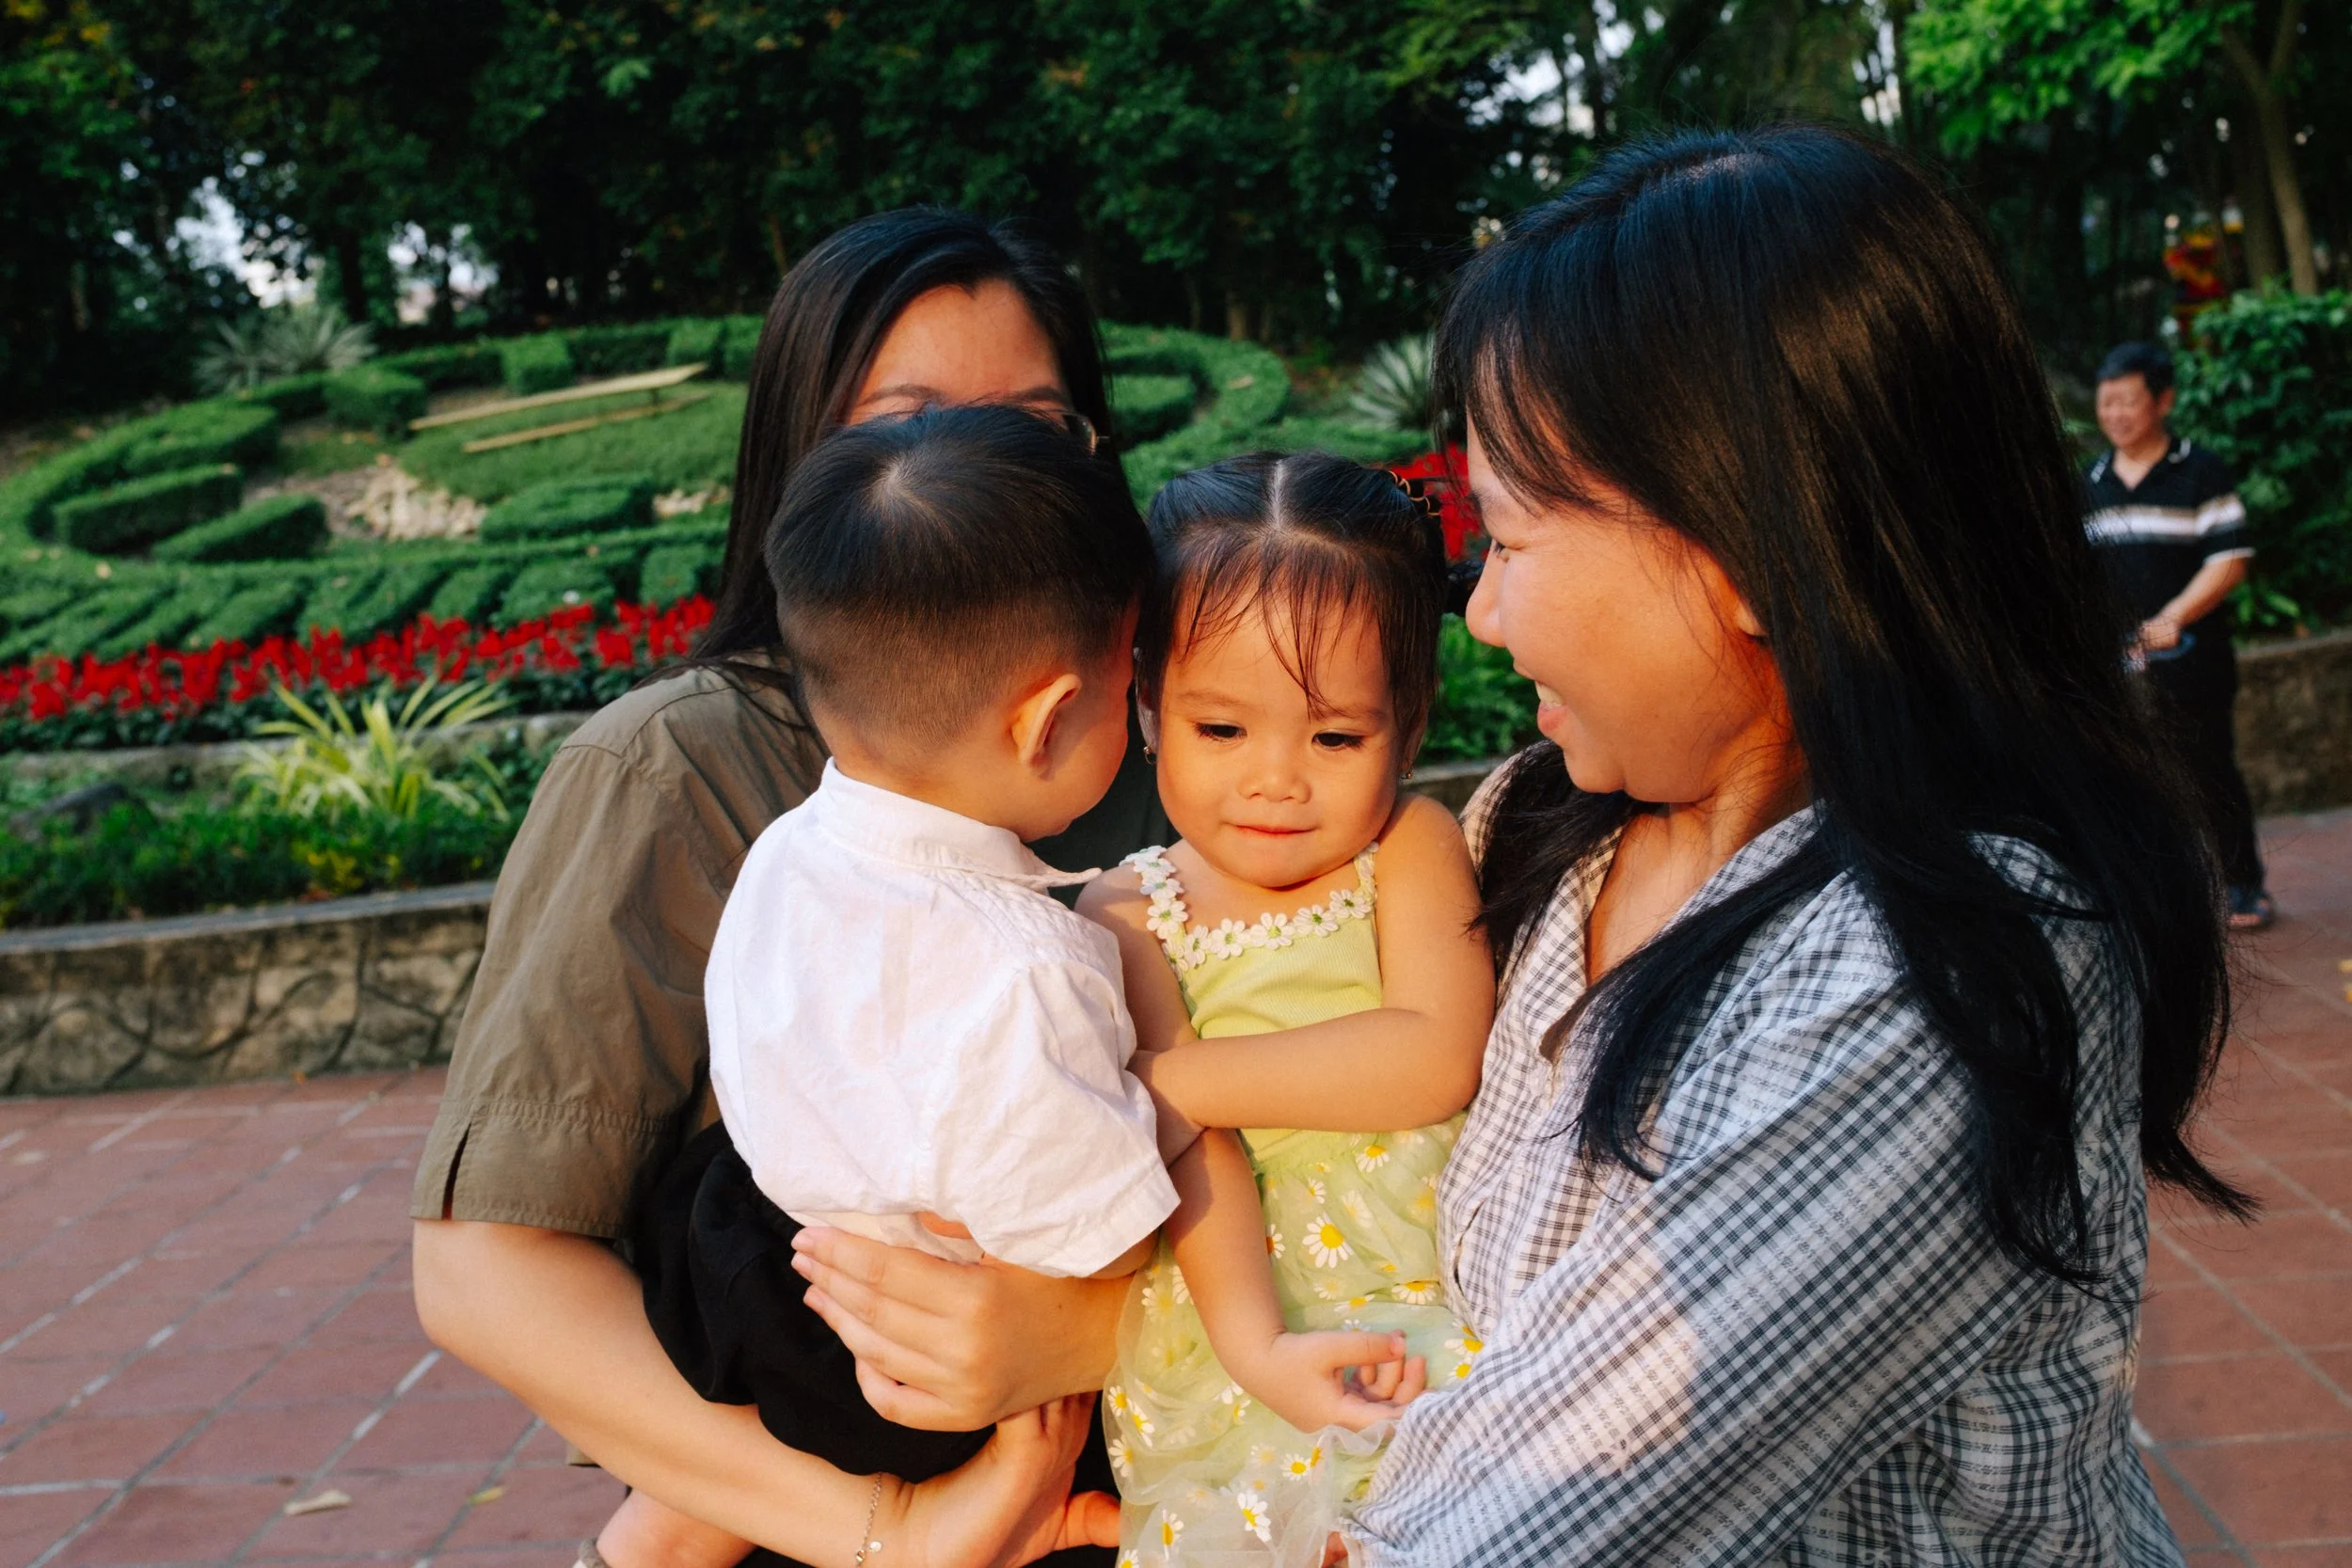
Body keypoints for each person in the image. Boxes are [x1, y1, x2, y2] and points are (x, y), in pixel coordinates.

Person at [791, 127, 2251, 1564]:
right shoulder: (1544, 826)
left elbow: (1549, 1501)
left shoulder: (1941, 976)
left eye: (1514, 535)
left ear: (1746, 551)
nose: (1479, 612)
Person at [410, 210, 1169, 1568]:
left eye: (1039, 429)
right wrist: (879, 1524)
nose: (978, 476)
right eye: (908, 421)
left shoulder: (1182, 739)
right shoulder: (682, 767)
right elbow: (488, 1267)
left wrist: (1085, 1331)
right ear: (805, 473)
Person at [604, 407, 1182, 1568]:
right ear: (1050, 717)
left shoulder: (788, 849)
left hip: (734, 1267)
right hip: (892, 1377)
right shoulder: (1029, 968)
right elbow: (1099, 1244)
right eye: (1137, 676)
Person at [1079, 451, 1494, 1564]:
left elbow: (1432, 1052)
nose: (1276, 778)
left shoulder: (1408, 845)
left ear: (1406, 730)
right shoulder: (1127, 904)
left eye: (1333, 737)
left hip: (1421, 1253)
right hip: (1235, 1284)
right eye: (1223, 730)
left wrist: (1163, 1081)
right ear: (1151, 708)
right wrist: (1256, 1345)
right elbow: (1187, 1153)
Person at [2087, 341, 2272, 929]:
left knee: (2209, 770)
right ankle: (2156, 897)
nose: (2115, 414)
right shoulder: (2087, 482)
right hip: (2116, 667)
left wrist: (2173, 618)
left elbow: (2228, 560)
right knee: (2128, 781)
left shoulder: (2200, 470)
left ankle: (2243, 885)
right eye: (2106, 402)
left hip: (2193, 658)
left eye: (2129, 401)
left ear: (2163, 401)